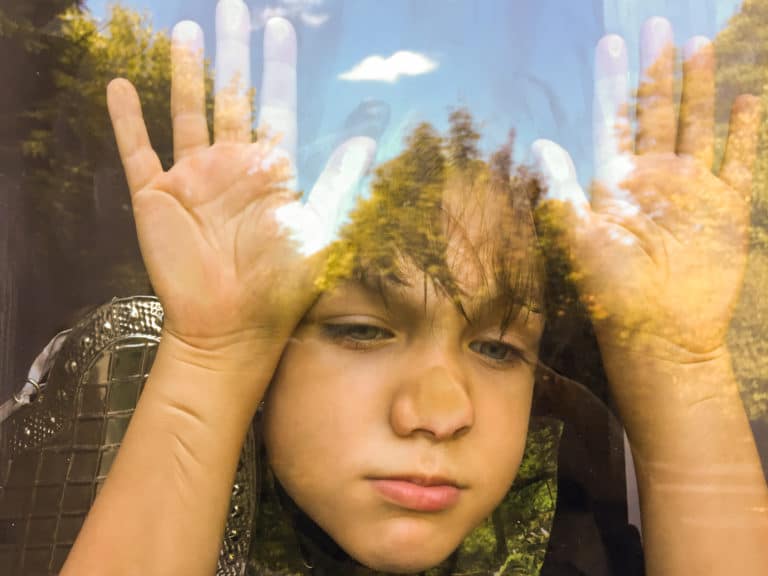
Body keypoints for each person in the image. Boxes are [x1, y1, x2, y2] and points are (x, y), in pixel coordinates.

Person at [59, 1, 768, 574]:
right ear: (267, 363)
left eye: (497, 348)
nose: (438, 411)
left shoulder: (572, 539)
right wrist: (214, 357)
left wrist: (679, 366)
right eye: (361, 330)